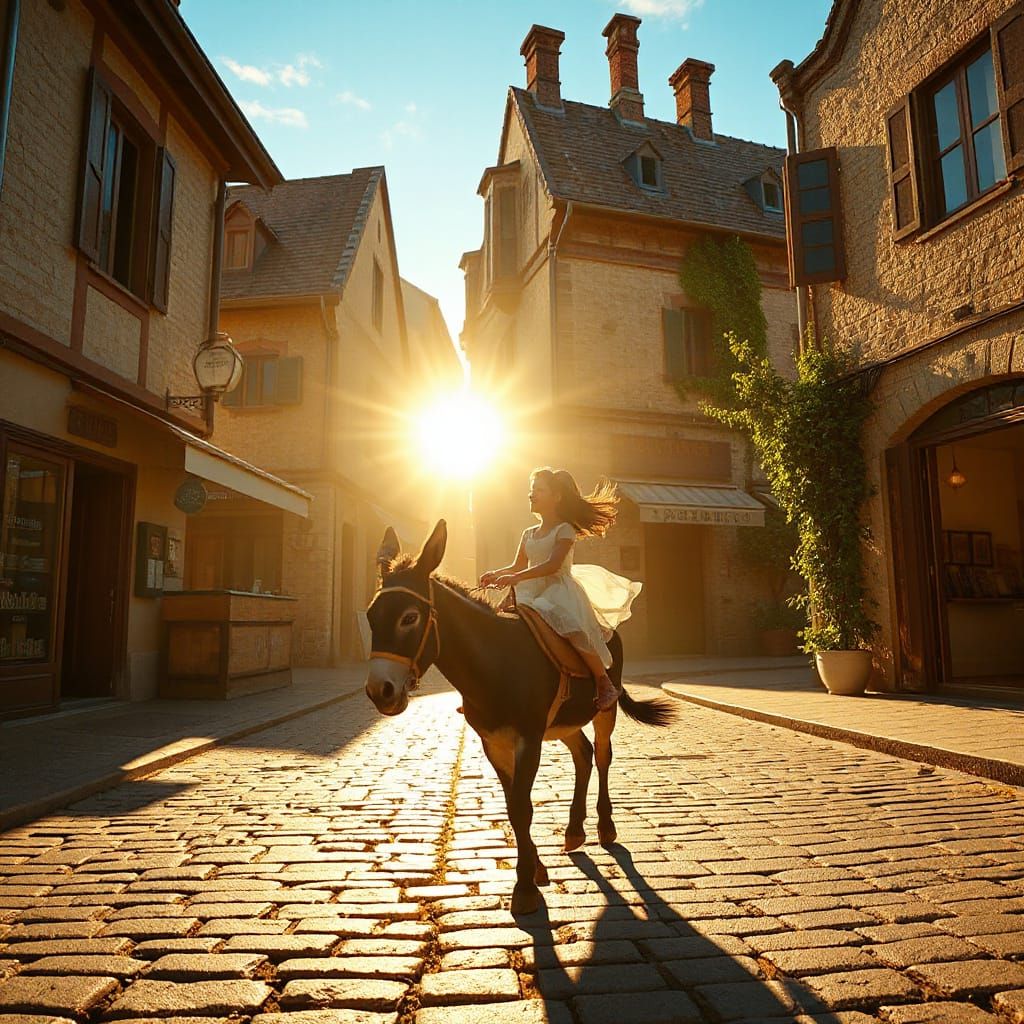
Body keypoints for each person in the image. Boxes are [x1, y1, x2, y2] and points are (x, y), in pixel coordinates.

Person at [480, 468, 642, 712]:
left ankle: (604, 682)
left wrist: (514, 577)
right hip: (529, 590)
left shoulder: (564, 530)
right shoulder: (528, 533)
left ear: (556, 497)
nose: (531, 494)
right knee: (496, 628)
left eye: (538, 490)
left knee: (573, 630)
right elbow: (518, 565)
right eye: (531, 490)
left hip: (558, 590)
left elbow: (552, 565)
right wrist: (497, 574)